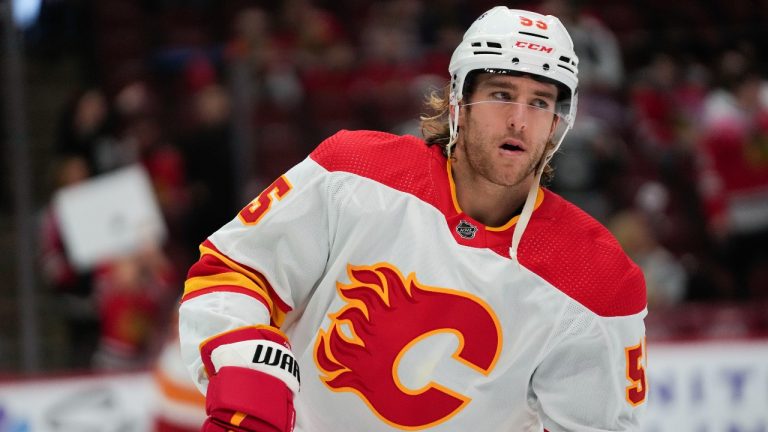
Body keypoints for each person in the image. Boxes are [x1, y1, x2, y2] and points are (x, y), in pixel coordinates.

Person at [179, 6, 648, 432]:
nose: (519, 121)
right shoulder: (352, 172)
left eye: (540, 103)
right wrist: (246, 368)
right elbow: (233, 271)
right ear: (459, 101)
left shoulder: (598, 280)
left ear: (558, 124)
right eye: (501, 94)